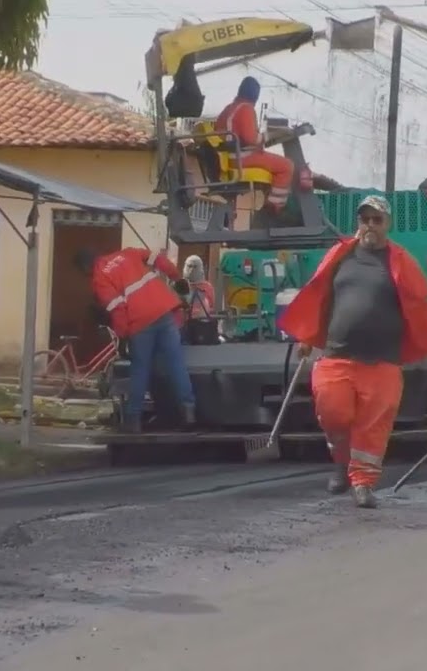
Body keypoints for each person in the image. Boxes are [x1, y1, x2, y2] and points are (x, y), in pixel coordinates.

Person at [280, 195, 427, 509]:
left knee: (373, 426)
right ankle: (341, 464)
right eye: (365, 219)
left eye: (377, 220)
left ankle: (363, 484)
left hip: (382, 363)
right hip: (335, 357)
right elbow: (318, 296)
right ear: (358, 222)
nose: (370, 225)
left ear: (388, 224)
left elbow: (421, 306)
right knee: (334, 415)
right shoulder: (339, 255)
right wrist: (307, 336)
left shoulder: (401, 261)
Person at [77, 246, 196, 433]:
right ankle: (189, 411)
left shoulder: (100, 278)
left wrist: (123, 336)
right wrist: (176, 277)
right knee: (176, 363)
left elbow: (117, 309)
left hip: (140, 322)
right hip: (164, 311)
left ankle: (133, 420)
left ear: (86, 268)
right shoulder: (127, 253)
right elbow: (158, 258)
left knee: (140, 369)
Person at [214, 76, 295, 211]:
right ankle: (274, 208)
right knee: (287, 166)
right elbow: (250, 139)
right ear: (255, 96)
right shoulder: (246, 109)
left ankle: (270, 198)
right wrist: (273, 134)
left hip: (229, 157)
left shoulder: (229, 108)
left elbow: (219, 130)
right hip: (242, 159)